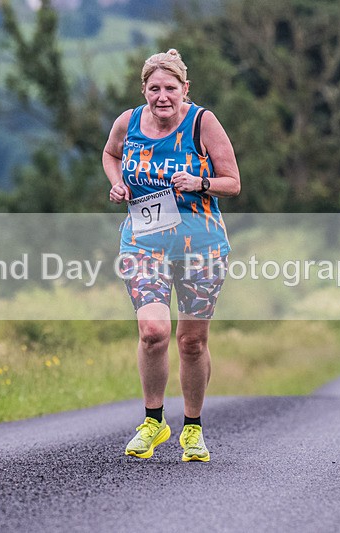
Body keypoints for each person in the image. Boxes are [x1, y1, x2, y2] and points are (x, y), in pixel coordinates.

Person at [102, 49, 241, 462]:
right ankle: (153, 420)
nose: (162, 97)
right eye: (154, 88)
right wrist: (117, 185)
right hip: (144, 243)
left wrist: (200, 182)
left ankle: (193, 429)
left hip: (202, 246)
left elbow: (232, 183)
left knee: (192, 342)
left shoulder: (202, 122)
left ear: (185, 89)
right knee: (153, 331)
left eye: (171, 88)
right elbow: (111, 155)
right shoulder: (128, 122)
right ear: (143, 89)